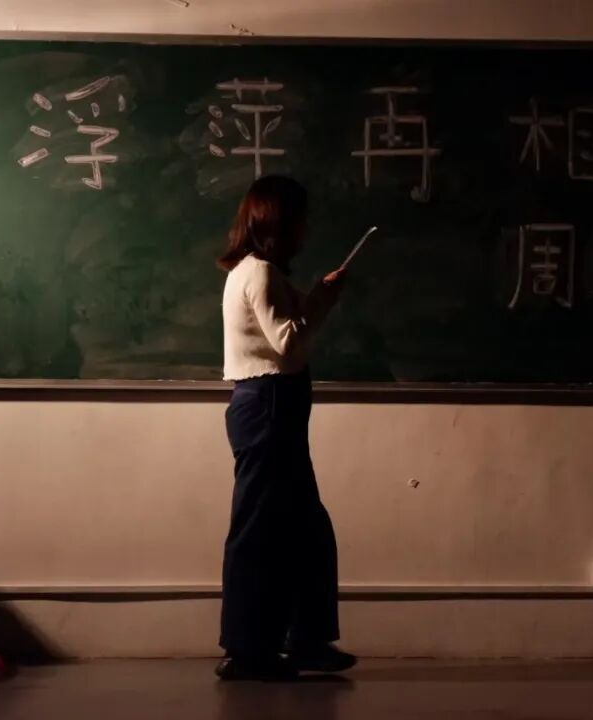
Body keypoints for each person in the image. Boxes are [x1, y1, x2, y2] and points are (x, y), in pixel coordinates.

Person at [215, 175, 357, 681]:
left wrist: (319, 293)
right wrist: (322, 302)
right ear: (279, 221)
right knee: (259, 529)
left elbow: (286, 321)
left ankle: (307, 642)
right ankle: (246, 651)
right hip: (269, 404)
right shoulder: (260, 273)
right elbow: (288, 341)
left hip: (269, 405)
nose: (306, 228)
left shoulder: (251, 271)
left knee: (305, 529)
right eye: (301, 218)